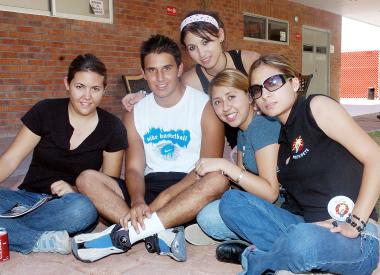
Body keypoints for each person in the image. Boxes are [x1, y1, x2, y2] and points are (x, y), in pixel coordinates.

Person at [219, 54, 380, 275]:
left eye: (273, 83)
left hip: (355, 237)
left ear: (294, 83)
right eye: (257, 90)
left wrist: (356, 223)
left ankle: (259, 260)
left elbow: (375, 157)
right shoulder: (283, 139)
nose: (265, 94)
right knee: (231, 202)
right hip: (308, 227)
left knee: (302, 242)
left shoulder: (316, 107)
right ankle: (288, 259)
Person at [72, 34, 227, 263]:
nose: (160, 77)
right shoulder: (135, 111)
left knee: (218, 178)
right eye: (152, 70)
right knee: (87, 179)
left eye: (166, 68)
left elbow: (207, 167)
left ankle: (129, 232)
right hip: (148, 186)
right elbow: (134, 168)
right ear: (143, 73)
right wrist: (137, 201)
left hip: (189, 187)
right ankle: (157, 229)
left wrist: (162, 199)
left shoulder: (205, 106)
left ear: (179, 68)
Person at [0, 53, 127, 255]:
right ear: (67, 83)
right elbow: (9, 160)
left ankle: (12, 228)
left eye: (95, 89)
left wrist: (75, 190)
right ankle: (39, 239)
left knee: (83, 210)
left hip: (69, 206)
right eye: (80, 87)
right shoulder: (45, 111)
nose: (87, 96)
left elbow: (107, 188)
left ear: (104, 89)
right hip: (27, 199)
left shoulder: (112, 127)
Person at [122, 10, 260, 148]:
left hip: (270, 135)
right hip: (239, 145)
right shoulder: (191, 80)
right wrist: (143, 95)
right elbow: (170, 91)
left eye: (205, 42)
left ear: (221, 35)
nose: (201, 53)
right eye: (192, 47)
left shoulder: (249, 61)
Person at [192, 69, 280, 263]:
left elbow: (271, 193)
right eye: (217, 102)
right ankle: (250, 241)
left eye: (231, 97)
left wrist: (224, 165)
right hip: (260, 207)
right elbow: (241, 181)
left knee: (210, 218)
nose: (225, 107)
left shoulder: (263, 126)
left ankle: (263, 246)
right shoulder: (242, 131)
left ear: (249, 96)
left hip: (282, 212)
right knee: (209, 208)